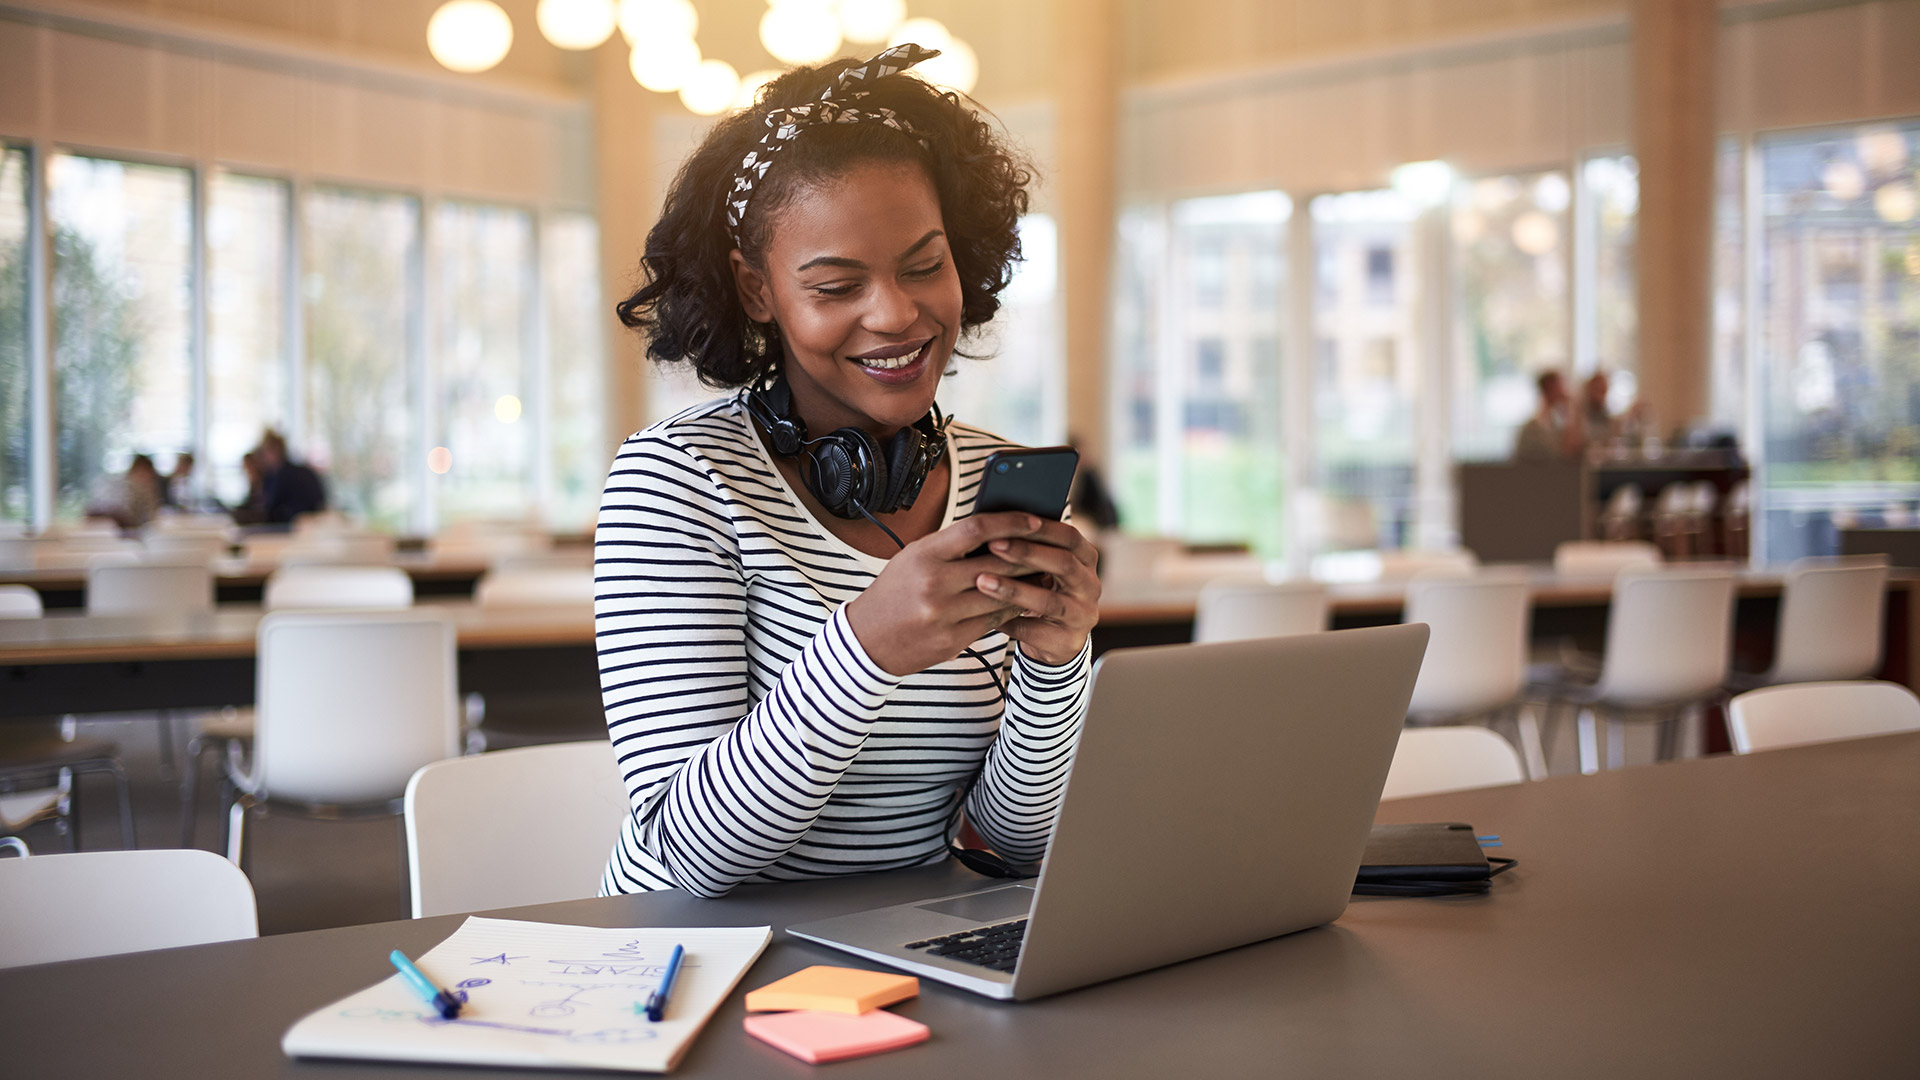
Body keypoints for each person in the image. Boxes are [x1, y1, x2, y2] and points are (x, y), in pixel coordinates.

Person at [598, 44, 1098, 899]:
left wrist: (1057, 668)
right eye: (836, 286)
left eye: (924, 265)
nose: (897, 313)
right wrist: (865, 649)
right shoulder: (676, 478)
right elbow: (692, 858)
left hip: (911, 945)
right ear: (759, 291)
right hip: (702, 959)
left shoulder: (987, 475)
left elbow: (1016, 842)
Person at [254, 430, 327, 524]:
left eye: (265, 452)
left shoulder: (285, 475)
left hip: (297, 527)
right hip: (307, 525)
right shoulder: (287, 473)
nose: (264, 457)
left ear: (275, 450)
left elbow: (271, 509)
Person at [1514, 370, 1586, 462]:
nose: (1565, 392)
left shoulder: (1555, 425)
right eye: (1562, 386)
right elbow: (1564, 452)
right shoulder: (1533, 428)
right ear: (1551, 389)